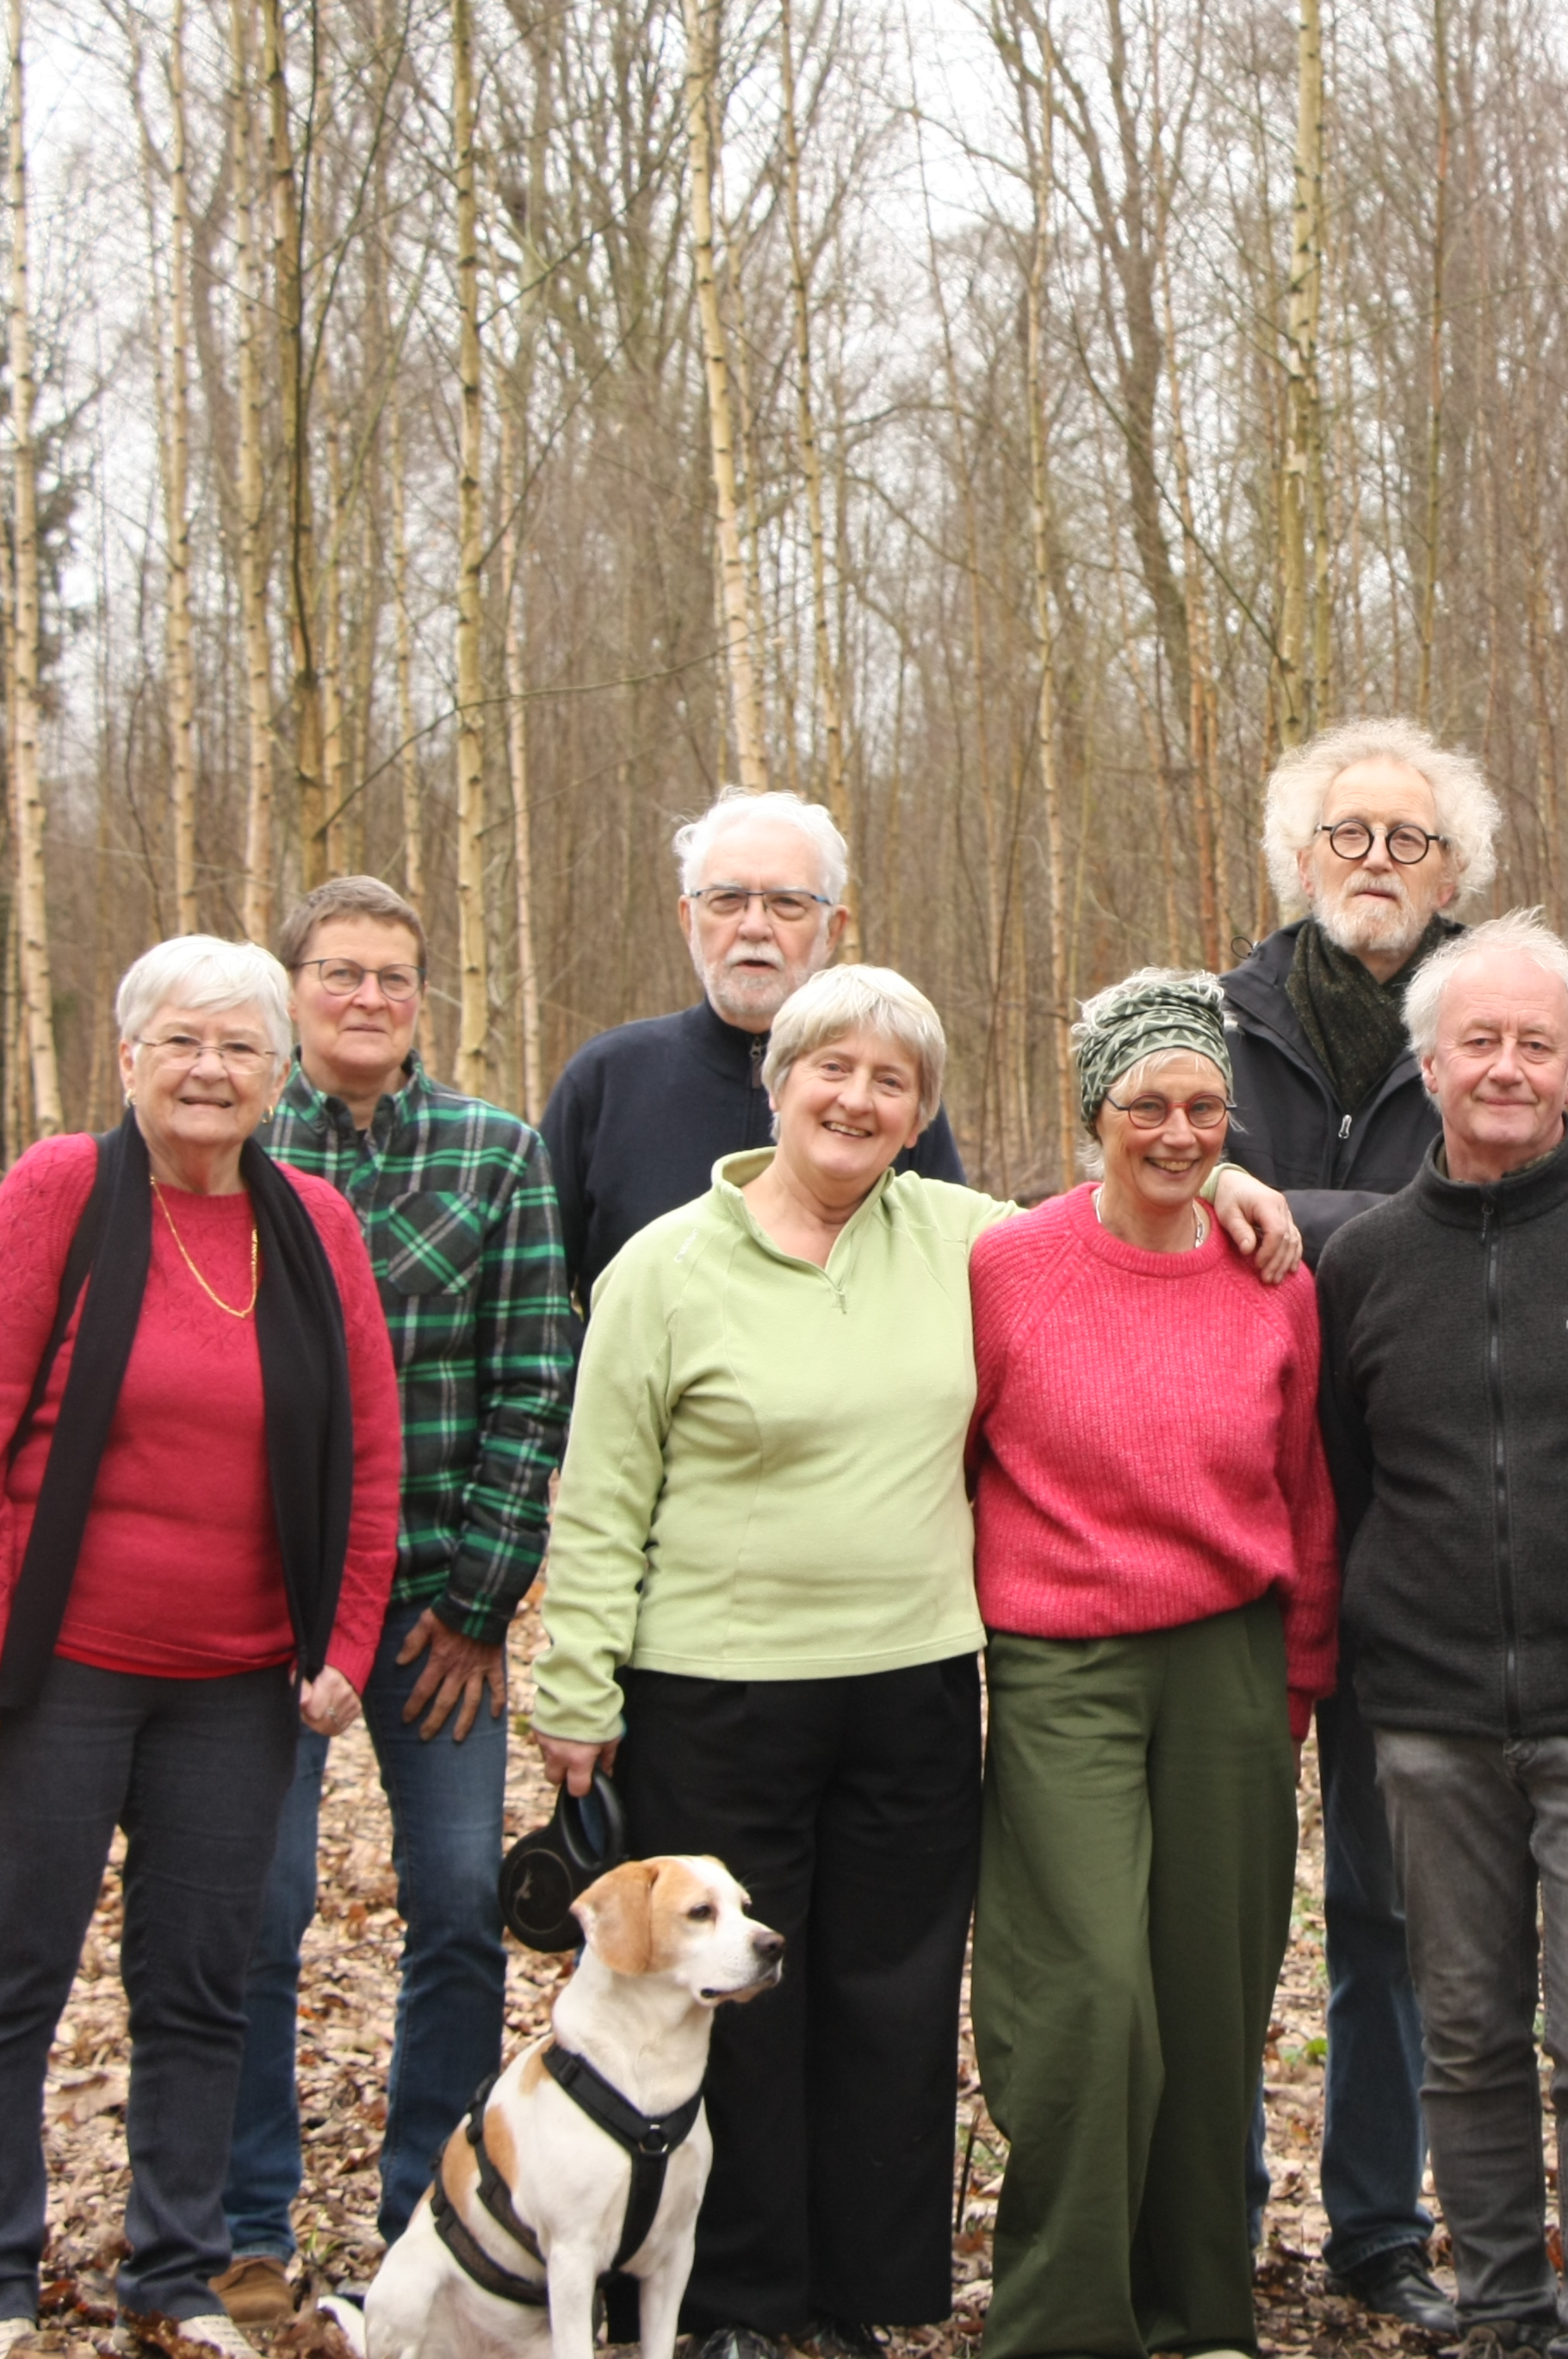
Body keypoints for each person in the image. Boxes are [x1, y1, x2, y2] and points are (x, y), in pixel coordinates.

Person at [524, 965, 1298, 2359]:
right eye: (832, 1069)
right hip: (717, 1688)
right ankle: (742, 2300)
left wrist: (1229, 1179)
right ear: (779, 1084)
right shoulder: (664, 1265)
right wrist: (575, 1688)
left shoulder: (962, 1239)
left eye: (892, 1082)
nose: (857, 1100)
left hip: (912, 1685)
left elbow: (1128, 1204)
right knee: (738, 2001)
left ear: (919, 1112)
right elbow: (599, 1495)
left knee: (889, 1999)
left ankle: (859, 2292)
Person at [0, 936, 401, 2359]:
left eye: (240, 1047)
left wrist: (345, 1636)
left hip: (237, 1684)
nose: (209, 1071)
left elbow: (370, 1450)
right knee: (14, 1974)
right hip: (54, 1672)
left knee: (200, 1984)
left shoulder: (314, 1223)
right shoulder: (60, 1191)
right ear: (128, 1057)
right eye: (181, 1041)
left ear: (277, 1076)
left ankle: (177, 2274)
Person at [1318, 913, 1568, 2359]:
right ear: (1428, 1065)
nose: (1505, 1066)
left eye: (1535, 1044)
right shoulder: (1366, 1260)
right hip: (1428, 1719)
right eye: (1478, 1041)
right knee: (1468, 2029)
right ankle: (1501, 2308)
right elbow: (1347, 1477)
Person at [214, 877, 579, 2313]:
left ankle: (427, 2214)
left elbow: (532, 1383)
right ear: (292, 989)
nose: (366, 997)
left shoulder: (496, 1153)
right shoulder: (236, 1147)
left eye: (393, 977)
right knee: (260, 1908)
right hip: (265, 1609)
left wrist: (484, 1600)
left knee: (458, 1905)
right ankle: (245, 2220)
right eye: (339, 973)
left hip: (436, 1609)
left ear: (423, 998)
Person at [965, 971, 1342, 2359]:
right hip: (1064, 1661)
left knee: (1211, 1992)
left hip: (1230, 1665)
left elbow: (1303, 1489)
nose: (1179, 1133)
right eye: (1147, 1106)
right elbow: (953, 1458)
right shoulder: (1009, 1267)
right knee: (1090, 1994)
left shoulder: (1273, 1277)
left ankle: (1198, 2311)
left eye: (1204, 1108)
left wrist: (1297, 1676)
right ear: (1093, 1115)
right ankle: (1065, 2320)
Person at [1219, 717, 1505, 2332]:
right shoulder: (1214, 1018)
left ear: (1454, 873)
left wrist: (1291, 1221)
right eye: (1350, 834)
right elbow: (1155, 1215)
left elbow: (1498, 1223)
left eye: (1410, 839)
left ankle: (1381, 2228)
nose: (1377, 862)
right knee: (1220, 1904)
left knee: (1393, 1913)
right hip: (1231, 1528)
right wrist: (1384, 1226)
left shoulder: (1492, 1020)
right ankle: (1212, 2208)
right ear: (1300, 857)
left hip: (1414, 1533)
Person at [541, 788, 964, 1301]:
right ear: (688, 919)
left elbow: (954, 1284)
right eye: (727, 899)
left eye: (787, 903)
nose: (755, 927)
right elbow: (535, 1309)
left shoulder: (881, 1100)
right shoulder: (605, 1081)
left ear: (832, 930)